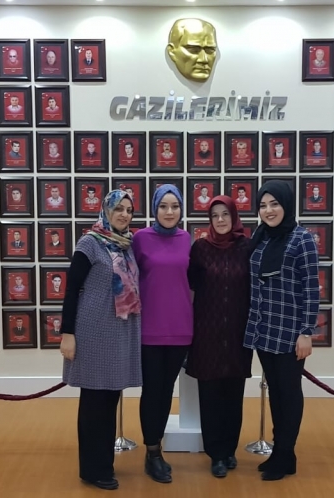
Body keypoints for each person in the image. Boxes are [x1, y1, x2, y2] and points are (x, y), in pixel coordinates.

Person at [59, 189, 142, 491]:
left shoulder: (127, 245)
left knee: (110, 400)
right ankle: (93, 470)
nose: (124, 215)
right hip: (93, 332)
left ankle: (104, 464)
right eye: (118, 209)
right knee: (94, 403)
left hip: (119, 332)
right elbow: (71, 290)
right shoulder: (90, 243)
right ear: (106, 210)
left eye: (129, 210)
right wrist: (67, 334)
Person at [244, 180, 318, 481]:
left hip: (290, 331)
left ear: (286, 205)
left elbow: (311, 288)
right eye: (263, 205)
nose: (268, 210)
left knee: (289, 392)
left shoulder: (302, 239)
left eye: (274, 204)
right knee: (275, 391)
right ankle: (281, 452)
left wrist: (306, 331)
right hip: (264, 328)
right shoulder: (259, 238)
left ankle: (286, 452)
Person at [186, 195, 254, 478]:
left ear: (234, 216)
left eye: (225, 214)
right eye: (215, 215)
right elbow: (190, 287)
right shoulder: (200, 249)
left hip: (238, 335)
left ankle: (230, 450)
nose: (221, 220)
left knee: (234, 396)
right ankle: (216, 454)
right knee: (210, 396)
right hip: (207, 334)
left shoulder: (247, 248)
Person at [131, 184, 193, 484]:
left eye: (175, 206)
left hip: (181, 328)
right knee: (152, 392)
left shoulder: (186, 239)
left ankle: (156, 448)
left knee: (167, 391)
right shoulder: (140, 239)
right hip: (149, 330)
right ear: (154, 209)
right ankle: (152, 452)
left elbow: (191, 283)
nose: (170, 212)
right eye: (164, 206)